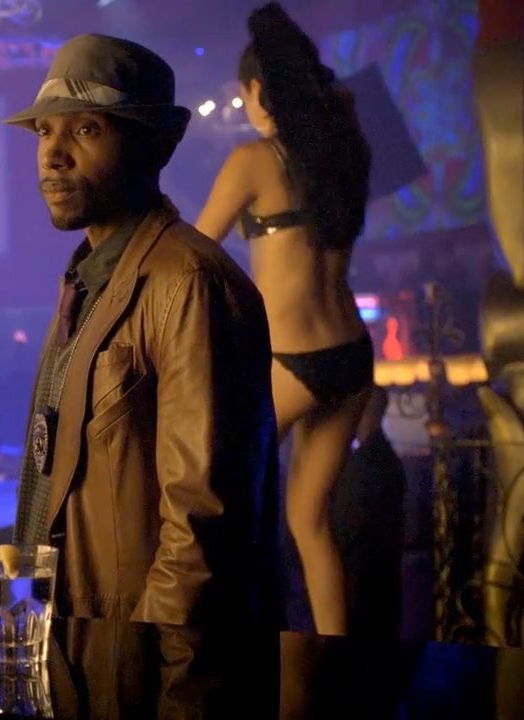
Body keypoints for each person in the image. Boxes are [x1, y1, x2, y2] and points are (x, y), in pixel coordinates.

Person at [5, 34, 280, 626]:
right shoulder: (88, 279)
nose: (54, 155)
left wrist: (142, 656)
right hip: (76, 645)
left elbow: (200, 528)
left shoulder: (189, 282)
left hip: (138, 658)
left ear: (150, 146)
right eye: (45, 131)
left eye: (86, 129)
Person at [193, 2, 373, 635]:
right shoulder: (343, 160)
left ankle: (222, 650)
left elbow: (194, 254)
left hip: (292, 362)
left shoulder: (253, 161)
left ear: (256, 89)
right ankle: (334, 660)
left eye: (243, 95)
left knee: (215, 498)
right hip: (351, 356)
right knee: (308, 522)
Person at [330, 386, 404, 639]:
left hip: (360, 581)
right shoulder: (386, 460)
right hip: (381, 579)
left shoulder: (365, 463)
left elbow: (346, 525)